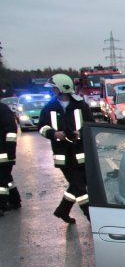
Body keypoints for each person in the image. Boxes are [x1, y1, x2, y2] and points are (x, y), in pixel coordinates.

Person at [37, 74, 93, 224]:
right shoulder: (49, 107)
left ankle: (62, 211)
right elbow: (41, 127)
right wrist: (54, 134)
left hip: (81, 154)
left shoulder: (81, 105)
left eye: (54, 88)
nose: (53, 91)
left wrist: (79, 133)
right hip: (63, 156)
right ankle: (92, 218)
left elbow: (90, 124)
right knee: (80, 189)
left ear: (62, 88)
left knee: (76, 186)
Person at [0, 101, 21, 215]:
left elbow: (11, 132)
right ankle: (15, 200)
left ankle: (1, 205)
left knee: (1, 181)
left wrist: (9, 151)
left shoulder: (3, 110)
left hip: (4, 153)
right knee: (7, 179)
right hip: (4, 153)